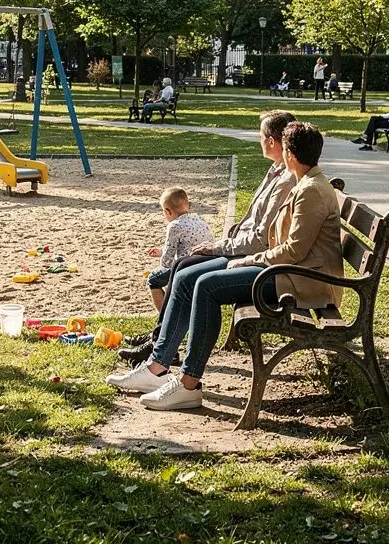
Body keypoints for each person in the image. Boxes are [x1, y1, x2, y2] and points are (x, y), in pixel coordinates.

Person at [109, 121, 342, 411]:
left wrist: (249, 259)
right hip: (290, 272)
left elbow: (293, 251)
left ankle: (188, 384)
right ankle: (163, 369)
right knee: (193, 279)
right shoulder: (307, 182)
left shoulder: (310, 190)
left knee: (207, 286)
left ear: (290, 156)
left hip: (302, 281)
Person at [117, 109, 297, 365]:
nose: (259, 141)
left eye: (260, 136)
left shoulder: (285, 180)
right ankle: (159, 344)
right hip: (245, 251)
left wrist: (219, 246)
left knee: (191, 277)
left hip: (253, 258)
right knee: (181, 266)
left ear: (271, 141)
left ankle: (164, 356)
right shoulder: (275, 172)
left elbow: (260, 238)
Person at [145, 187, 213, 312]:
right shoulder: (200, 219)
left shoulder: (174, 226)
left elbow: (167, 261)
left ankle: (164, 316)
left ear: (167, 211)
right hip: (204, 263)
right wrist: (161, 251)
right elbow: (188, 243)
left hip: (184, 267)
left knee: (153, 280)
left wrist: (163, 257)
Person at [352, 86, 389, 151]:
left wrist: (381, 116)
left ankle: (367, 140)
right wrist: (381, 116)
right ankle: (367, 142)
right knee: (374, 120)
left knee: (374, 120)